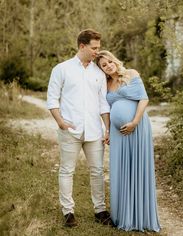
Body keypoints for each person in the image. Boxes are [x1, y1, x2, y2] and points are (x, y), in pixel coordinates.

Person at [47, 29, 112, 227]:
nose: (97, 52)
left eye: (98, 48)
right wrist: (61, 122)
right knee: (67, 170)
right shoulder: (62, 69)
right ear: (82, 46)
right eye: (94, 48)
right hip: (70, 130)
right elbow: (52, 98)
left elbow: (103, 103)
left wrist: (108, 129)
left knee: (97, 171)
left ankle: (100, 210)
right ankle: (68, 212)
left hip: (94, 131)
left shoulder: (98, 72)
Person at [96, 50, 161, 232]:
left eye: (109, 61)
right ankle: (124, 215)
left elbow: (144, 99)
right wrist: (108, 130)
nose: (108, 65)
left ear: (114, 60)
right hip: (118, 134)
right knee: (121, 170)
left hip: (138, 127)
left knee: (138, 168)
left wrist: (134, 122)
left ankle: (141, 217)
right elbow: (105, 109)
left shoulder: (131, 74)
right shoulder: (106, 84)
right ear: (101, 69)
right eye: (103, 65)